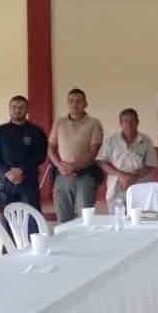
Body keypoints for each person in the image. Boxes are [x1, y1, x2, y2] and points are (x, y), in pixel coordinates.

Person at [0, 95, 47, 230]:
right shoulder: (0, 131)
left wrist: (22, 170)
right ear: (9, 109)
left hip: (29, 181)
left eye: (21, 107)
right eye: (14, 107)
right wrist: (7, 172)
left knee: (33, 219)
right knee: (8, 220)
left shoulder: (36, 132)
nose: (17, 110)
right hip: (7, 182)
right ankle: (8, 250)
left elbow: (40, 155)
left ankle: (35, 248)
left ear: (27, 110)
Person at [48, 88, 104, 223]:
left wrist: (73, 167)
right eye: (71, 101)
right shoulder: (59, 122)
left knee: (84, 217)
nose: (75, 104)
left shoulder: (94, 123)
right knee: (63, 217)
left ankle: (84, 244)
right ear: (67, 104)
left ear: (86, 104)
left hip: (85, 175)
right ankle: (66, 244)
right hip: (62, 175)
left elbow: (93, 152)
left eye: (79, 101)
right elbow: (50, 147)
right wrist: (60, 166)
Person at [97, 108, 158, 210]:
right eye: (125, 121)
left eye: (132, 121)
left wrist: (132, 177)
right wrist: (121, 176)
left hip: (140, 184)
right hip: (116, 185)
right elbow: (101, 161)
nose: (129, 124)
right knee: (117, 218)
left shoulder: (146, 140)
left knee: (139, 218)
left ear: (137, 122)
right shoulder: (111, 140)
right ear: (120, 123)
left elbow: (150, 165)